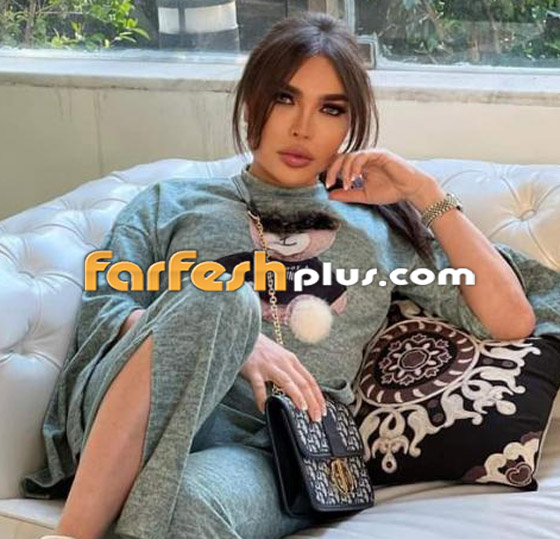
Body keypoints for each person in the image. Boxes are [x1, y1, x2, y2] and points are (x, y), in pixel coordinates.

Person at [23, 11, 536, 539]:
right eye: (285, 98)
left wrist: (424, 192)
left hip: (277, 453)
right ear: (253, 103)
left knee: (187, 505)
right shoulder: (168, 204)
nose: (302, 127)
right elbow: (106, 310)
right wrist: (234, 337)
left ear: (350, 125)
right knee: (221, 297)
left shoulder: (375, 227)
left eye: (330, 109)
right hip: (136, 419)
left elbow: (510, 319)